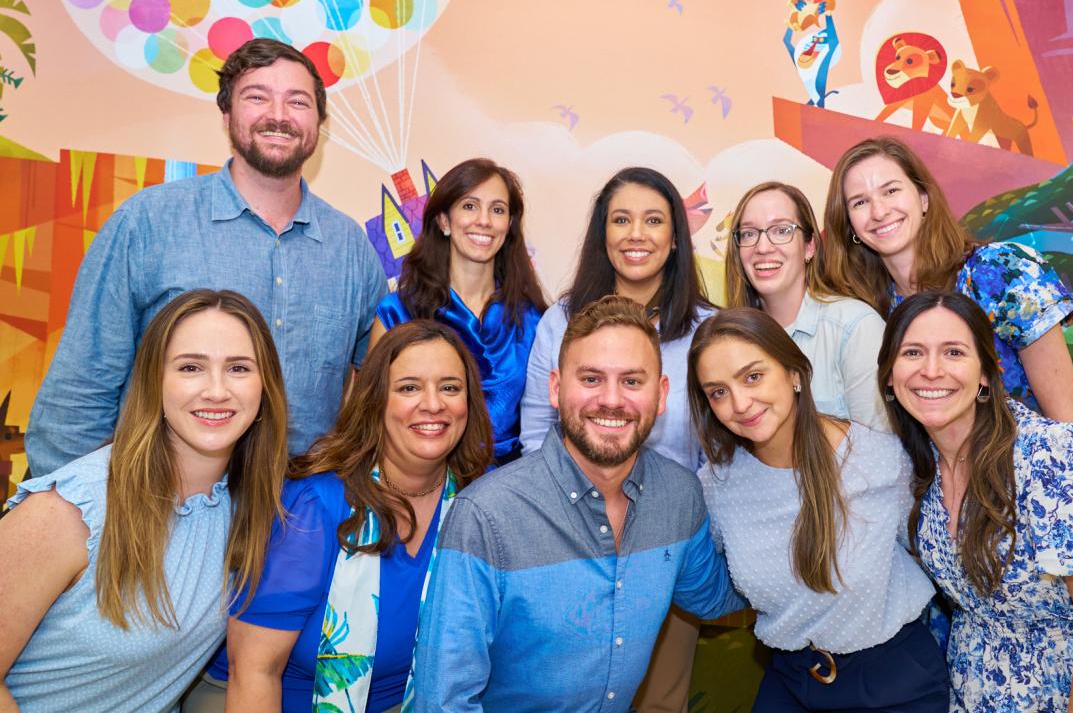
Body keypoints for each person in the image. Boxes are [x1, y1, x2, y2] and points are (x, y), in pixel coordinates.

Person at [26, 38, 384, 476]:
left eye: (298, 102)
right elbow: (83, 386)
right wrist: (65, 511)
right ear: (226, 115)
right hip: (158, 507)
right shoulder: (148, 222)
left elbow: (383, 391)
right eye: (257, 97)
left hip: (295, 521)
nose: (278, 115)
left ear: (319, 122)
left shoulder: (351, 249)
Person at [414, 295, 745, 712]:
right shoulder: (486, 516)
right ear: (555, 388)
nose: (611, 399)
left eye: (632, 381)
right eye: (591, 379)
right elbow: (443, 700)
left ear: (661, 395)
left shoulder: (678, 496)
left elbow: (717, 596)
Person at [0, 290, 289, 711]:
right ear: (155, 381)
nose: (216, 390)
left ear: (266, 388)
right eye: (191, 367)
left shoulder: (253, 504)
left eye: (239, 368)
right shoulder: (70, 511)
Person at [207, 321, 492, 713]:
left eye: (450, 387)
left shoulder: (478, 504)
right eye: (409, 387)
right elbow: (255, 670)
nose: (433, 403)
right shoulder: (316, 505)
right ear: (376, 401)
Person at [878, 290, 1073, 711]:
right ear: (889, 375)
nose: (931, 370)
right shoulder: (915, 471)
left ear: (985, 372)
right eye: (912, 352)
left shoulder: (1052, 455)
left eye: (953, 352)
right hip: (973, 693)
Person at [519, 167, 715, 709]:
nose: (636, 233)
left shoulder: (708, 330)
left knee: (660, 699)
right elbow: (537, 430)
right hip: (568, 542)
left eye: (653, 220)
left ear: (675, 236)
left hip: (666, 545)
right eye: (621, 219)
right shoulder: (561, 321)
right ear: (601, 234)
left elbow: (717, 453)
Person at [688, 307, 946, 712]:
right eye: (718, 391)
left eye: (753, 376)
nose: (739, 403)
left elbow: (934, 558)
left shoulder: (877, 458)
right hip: (790, 678)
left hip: (892, 681)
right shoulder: (716, 486)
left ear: (794, 374)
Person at [821, 136, 1073, 423]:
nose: (879, 211)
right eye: (860, 202)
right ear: (849, 224)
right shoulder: (871, 313)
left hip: (1035, 463)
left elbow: (1069, 422)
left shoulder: (999, 270)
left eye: (891, 190)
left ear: (923, 198)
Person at [369, 158, 546, 462]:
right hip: (421, 482)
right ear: (444, 221)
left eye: (498, 210)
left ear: (509, 226)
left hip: (510, 489)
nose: (484, 220)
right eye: (469, 206)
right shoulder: (397, 312)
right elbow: (371, 415)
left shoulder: (533, 321)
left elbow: (544, 423)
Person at [724, 181, 887, 430]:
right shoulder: (727, 342)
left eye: (781, 230)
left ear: (809, 246)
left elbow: (882, 450)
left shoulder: (855, 328)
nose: (763, 247)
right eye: (748, 234)